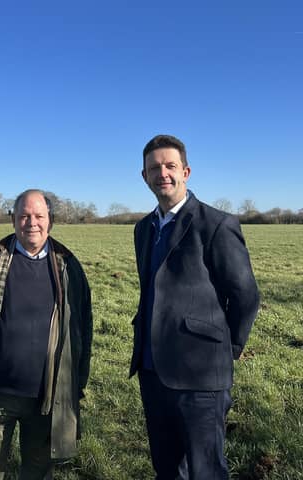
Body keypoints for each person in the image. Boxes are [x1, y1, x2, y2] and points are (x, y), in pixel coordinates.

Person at [130, 134, 260, 479]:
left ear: (186, 171)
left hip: (201, 374)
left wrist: (227, 347)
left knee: (205, 471)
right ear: (144, 176)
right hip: (152, 369)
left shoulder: (216, 224)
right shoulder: (143, 229)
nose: (163, 173)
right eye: (154, 168)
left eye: (170, 166)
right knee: (167, 468)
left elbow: (245, 294)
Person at [0, 189, 93, 479]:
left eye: (39, 216)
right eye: (24, 216)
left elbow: (84, 331)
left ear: (50, 220)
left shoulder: (69, 266)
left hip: (47, 394)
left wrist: (77, 382)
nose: (32, 222)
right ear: (13, 219)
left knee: (38, 471)